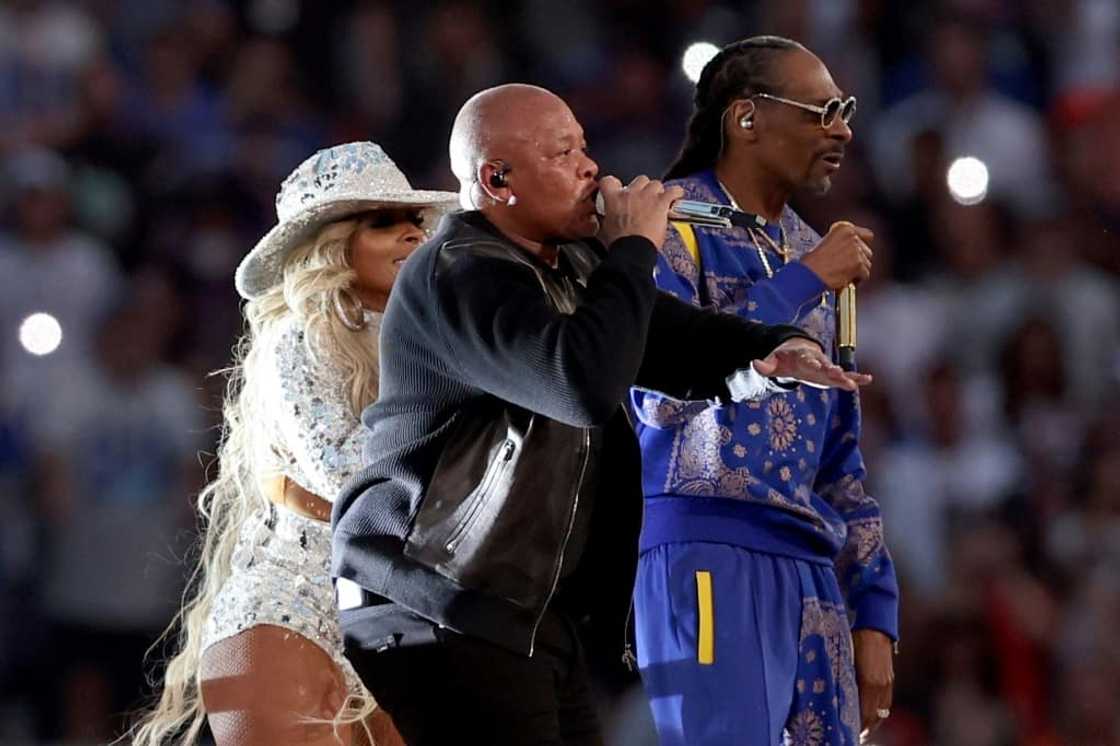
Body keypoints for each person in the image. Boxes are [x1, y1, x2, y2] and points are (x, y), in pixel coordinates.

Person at [332, 83, 871, 746]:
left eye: (584, 146)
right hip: (435, 601)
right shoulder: (459, 272)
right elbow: (580, 380)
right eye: (564, 153)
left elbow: (667, 337)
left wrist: (768, 353)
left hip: (520, 614)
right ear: (497, 179)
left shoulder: (573, 263)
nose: (592, 167)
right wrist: (636, 250)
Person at [132, 141, 458, 745]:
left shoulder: (439, 339)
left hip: (401, 613)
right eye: (383, 222)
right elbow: (351, 478)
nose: (412, 234)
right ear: (331, 245)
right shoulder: (298, 339)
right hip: (295, 606)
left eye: (415, 220)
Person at [630, 36, 898, 745]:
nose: (842, 128)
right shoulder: (665, 222)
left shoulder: (814, 250)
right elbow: (660, 397)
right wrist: (805, 279)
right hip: (705, 547)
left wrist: (874, 611)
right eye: (823, 111)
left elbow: (841, 462)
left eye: (846, 110)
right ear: (746, 118)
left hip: (812, 572)